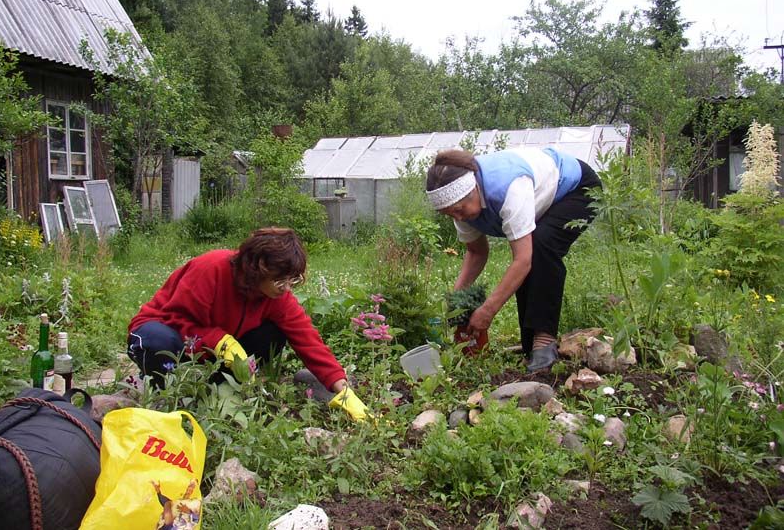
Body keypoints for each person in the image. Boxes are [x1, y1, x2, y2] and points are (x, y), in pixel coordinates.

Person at [127, 227, 368, 420]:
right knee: (158, 340)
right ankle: (166, 394)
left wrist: (342, 388)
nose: (286, 288)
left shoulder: (276, 296)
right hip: (164, 331)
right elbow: (175, 319)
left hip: (212, 351)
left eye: (292, 280)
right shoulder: (212, 268)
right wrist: (217, 340)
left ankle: (218, 389)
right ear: (257, 269)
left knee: (274, 332)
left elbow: (306, 338)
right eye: (279, 280)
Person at [425, 146, 601, 371]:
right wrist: (454, 300)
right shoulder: (459, 204)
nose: (458, 218)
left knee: (541, 246)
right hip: (541, 197)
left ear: (474, 189)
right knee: (533, 250)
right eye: (450, 214)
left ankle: (544, 339)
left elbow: (523, 260)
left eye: (459, 210)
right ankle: (530, 348)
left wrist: (488, 310)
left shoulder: (509, 188)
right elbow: (476, 252)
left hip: (577, 189)